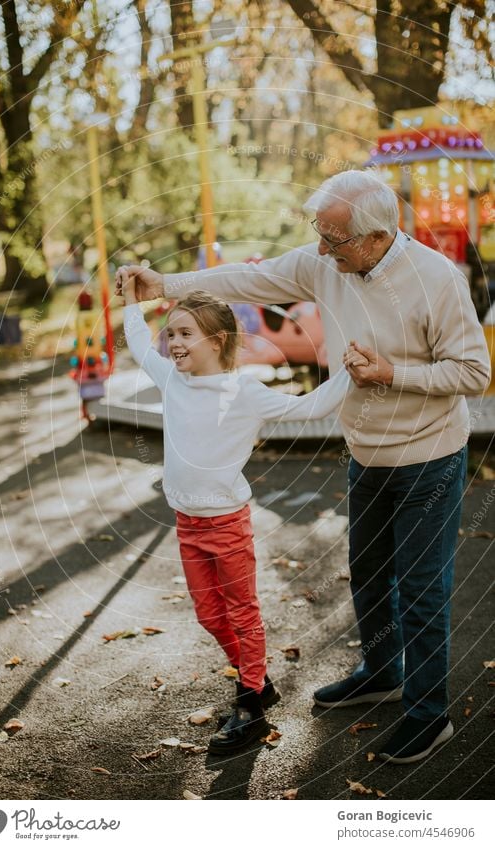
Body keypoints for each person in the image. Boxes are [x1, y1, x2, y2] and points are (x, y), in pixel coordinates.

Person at [116, 169, 491, 764]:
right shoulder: (327, 263)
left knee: (420, 589)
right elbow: (252, 278)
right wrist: (164, 283)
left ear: (373, 238)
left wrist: (392, 374)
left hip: (429, 458)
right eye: (319, 232)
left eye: (333, 238)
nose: (320, 248)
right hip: (365, 454)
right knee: (366, 574)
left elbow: (473, 373)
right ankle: (381, 670)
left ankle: (428, 713)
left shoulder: (436, 280)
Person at [117, 278, 363, 755]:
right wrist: (131, 301)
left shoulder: (243, 391)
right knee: (210, 615)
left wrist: (348, 371)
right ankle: (257, 680)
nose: (175, 342)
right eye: (171, 333)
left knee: (243, 613)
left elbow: (309, 407)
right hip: (187, 524)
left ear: (218, 340)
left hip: (227, 525)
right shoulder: (171, 379)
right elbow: (137, 341)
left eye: (187, 333)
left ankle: (250, 702)